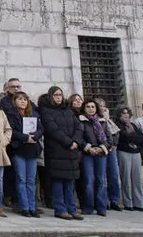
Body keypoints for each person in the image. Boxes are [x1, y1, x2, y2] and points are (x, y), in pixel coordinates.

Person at [39, 86, 84, 221]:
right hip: (57, 150)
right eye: (55, 95)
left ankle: (72, 208)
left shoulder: (68, 111)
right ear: (50, 97)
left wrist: (76, 141)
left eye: (60, 95)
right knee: (58, 181)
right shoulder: (46, 111)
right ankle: (60, 208)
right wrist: (68, 142)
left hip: (71, 152)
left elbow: (78, 127)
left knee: (70, 182)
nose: (58, 97)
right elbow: (53, 129)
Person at [6, 91, 42, 217]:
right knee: (21, 179)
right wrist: (25, 137)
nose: (23, 102)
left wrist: (35, 136)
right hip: (19, 149)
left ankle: (32, 207)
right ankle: (24, 206)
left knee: (31, 180)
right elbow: (12, 131)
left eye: (25, 99)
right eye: (20, 99)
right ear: (14, 101)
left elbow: (40, 129)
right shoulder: (11, 114)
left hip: (32, 149)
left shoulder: (33, 114)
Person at [79, 99, 110, 216]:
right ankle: (88, 207)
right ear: (84, 108)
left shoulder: (102, 122)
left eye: (93, 107)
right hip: (88, 154)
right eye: (88, 107)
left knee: (101, 180)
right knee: (88, 180)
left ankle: (101, 207)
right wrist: (89, 148)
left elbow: (109, 139)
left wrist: (101, 148)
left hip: (101, 153)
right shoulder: (81, 122)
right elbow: (80, 138)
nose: (91, 109)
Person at [115, 107, 143, 212]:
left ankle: (139, 203)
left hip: (136, 152)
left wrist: (133, 137)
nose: (126, 115)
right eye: (123, 113)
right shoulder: (117, 125)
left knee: (137, 178)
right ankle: (128, 203)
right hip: (124, 152)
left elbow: (142, 138)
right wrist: (134, 137)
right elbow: (124, 137)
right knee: (126, 178)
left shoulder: (132, 125)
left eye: (127, 113)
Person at [0, 78, 23, 207]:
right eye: (13, 87)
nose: (16, 89)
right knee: (10, 171)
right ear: (7, 89)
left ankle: (21, 198)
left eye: (18, 86)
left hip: (26, 142)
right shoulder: (5, 102)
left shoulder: (26, 100)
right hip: (10, 141)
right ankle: (9, 195)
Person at [95, 98, 122, 211]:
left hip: (111, 150)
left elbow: (115, 134)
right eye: (100, 105)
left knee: (114, 175)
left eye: (103, 105)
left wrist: (113, 144)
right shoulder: (94, 120)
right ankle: (103, 201)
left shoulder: (108, 120)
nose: (102, 108)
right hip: (100, 150)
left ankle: (114, 200)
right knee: (101, 177)